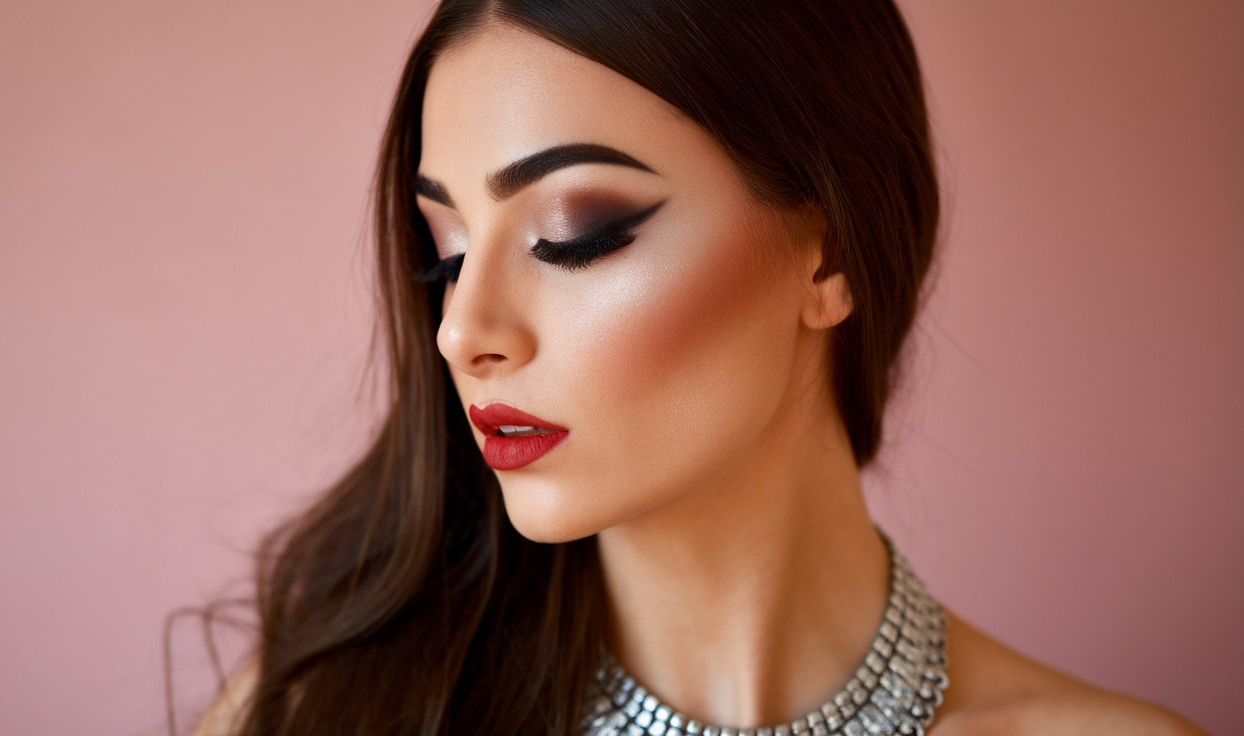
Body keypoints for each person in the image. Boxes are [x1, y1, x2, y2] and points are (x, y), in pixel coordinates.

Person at [194, 1, 1207, 734]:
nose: (463, 327)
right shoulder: (315, 711)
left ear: (830, 253)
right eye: (447, 252)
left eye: (573, 232)